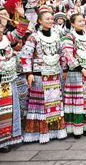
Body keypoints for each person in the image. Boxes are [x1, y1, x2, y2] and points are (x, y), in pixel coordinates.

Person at [22, 10, 67, 143]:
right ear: (40, 21)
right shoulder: (33, 37)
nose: (50, 20)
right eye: (47, 19)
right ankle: (40, 132)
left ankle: (55, 131)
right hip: (39, 75)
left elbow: (62, 53)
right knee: (41, 104)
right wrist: (29, 73)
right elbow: (26, 56)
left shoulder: (57, 36)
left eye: (51, 18)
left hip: (54, 73)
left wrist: (64, 68)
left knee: (54, 102)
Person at [0, 4, 28, 154]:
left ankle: (4, 141)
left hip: (8, 81)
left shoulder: (8, 39)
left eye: (0, 28)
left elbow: (21, 30)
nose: (0, 30)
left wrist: (21, 15)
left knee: (7, 112)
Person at [60, 13, 86, 138]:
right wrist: (82, 70)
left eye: (83, 21)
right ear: (72, 23)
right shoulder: (68, 37)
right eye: (79, 21)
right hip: (76, 73)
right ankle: (76, 127)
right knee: (77, 99)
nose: (82, 23)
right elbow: (68, 55)